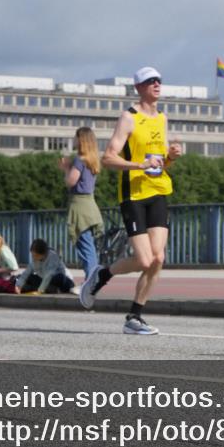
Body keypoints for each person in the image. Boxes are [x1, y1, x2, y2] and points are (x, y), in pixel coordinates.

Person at [80, 66, 183, 335]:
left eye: (159, 80)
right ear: (138, 88)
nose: (157, 85)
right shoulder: (129, 118)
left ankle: (134, 317)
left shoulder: (162, 118)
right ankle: (103, 274)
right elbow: (108, 158)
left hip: (159, 190)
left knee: (158, 258)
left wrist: (171, 156)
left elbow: (161, 162)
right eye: (150, 82)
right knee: (145, 260)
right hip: (133, 195)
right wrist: (140, 164)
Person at [61, 127, 104, 282]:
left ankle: (91, 280)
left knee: (85, 245)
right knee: (88, 244)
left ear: (81, 140)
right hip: (90, 204)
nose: (73, 139)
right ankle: (91, 279)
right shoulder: (92, 159)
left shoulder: (80, 159)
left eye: (75, 137)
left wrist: (66, 169)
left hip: (79, 205)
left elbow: (71, 181)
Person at [15, 239, 79, 295]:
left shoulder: (53, 256)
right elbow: (26, 273)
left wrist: (40, 290)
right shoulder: (35, 260)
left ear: (44, 254)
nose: (34, 258)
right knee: (30, 277)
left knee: (58, 278)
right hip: (44, 281)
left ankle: (52, 289)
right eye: (32, 255)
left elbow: (48, 275)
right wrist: (18, 285)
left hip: (60, 279)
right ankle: (50, 289)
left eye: (36, 255)